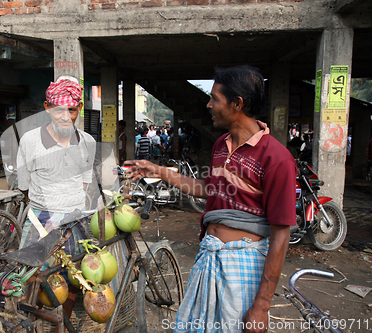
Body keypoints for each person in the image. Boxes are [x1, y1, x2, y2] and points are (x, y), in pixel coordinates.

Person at [126, 65, 296, 333]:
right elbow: (209, 189)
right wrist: (158, 172)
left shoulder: (276, 158)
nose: (208, 105)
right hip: (209, 256)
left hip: (244, 265)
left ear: (237, 103)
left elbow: (281, 236)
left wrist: (262, 306)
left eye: (215, 98)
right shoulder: (220, 146)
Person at [16, 76, 96, 327]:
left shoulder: (88, 143)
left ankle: (63, 324)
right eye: (58, 109)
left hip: (76, 218)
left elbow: (84, 183)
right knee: (31, 277)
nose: (65, 116)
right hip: (41, 217)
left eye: (71, 110)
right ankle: (32, 321)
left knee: (73, 276)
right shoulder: (29, 140)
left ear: (79, 109)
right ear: (47, 107)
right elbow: (24, 186)